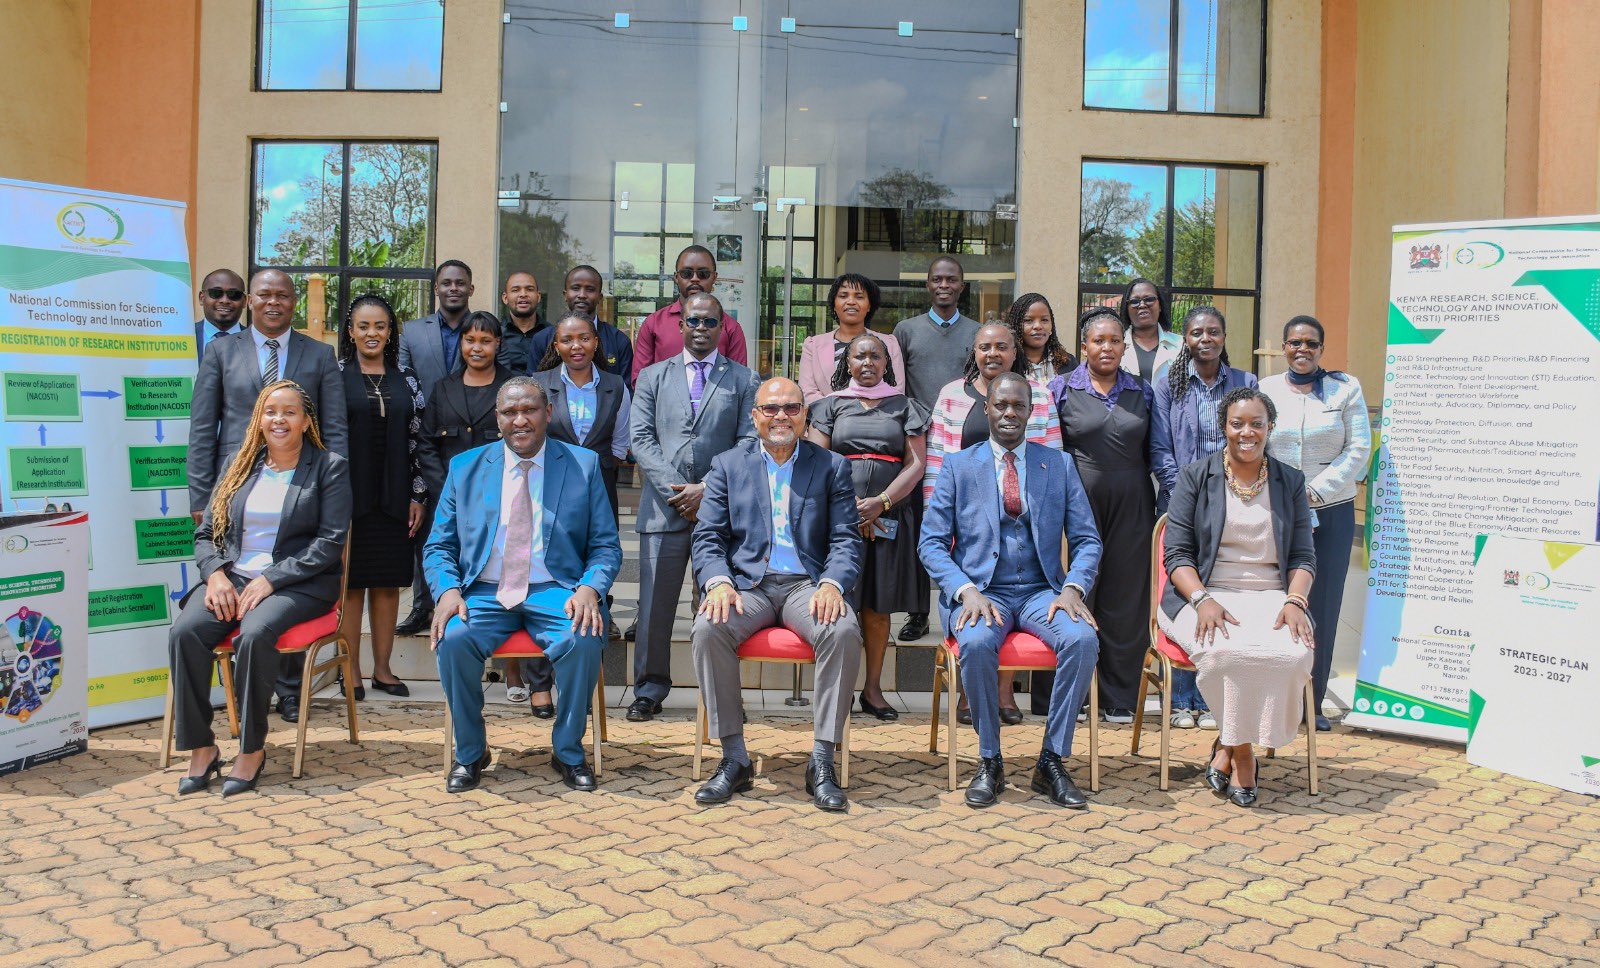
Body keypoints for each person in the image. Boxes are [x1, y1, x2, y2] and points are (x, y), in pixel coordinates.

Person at [423, 378, 622, 794]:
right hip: (484, 590)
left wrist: (590, 588)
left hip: (557, 589)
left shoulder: (583, 465)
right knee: (453, 637)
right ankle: (471, 751)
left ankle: (568, 750)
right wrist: (448, 591)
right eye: (510, 412)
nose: (520, 420)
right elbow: (439, 545)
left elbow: (605, 544)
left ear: (548, 413)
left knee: (583, 636)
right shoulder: (466, 467)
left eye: (529, 410)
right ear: (497, 418)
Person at [919, 372, 1103, 809]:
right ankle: (990, 760)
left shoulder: (1058, 465)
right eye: (1000, 405)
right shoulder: (959, 466)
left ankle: (1051, 761)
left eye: (1018, 405)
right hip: (983, 592)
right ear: (986, 409)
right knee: (977, 642)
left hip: (1043, 591)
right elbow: (931, 543)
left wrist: (1073, 588)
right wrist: (965, 591)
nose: (1009, 413)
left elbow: (1087, 539)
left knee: (1083, 639)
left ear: (1030, 411)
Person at [168, 380, 352, 797]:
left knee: (254, 633)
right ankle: (202, 748)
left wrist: (271, 579)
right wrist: (215, 575)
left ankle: (251, 749)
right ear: (259, 418)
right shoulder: (239, 464)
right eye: (271, 411)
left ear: (306, 422)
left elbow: (329, 543)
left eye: (289, 412)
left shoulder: (329, 467)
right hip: (233, 578)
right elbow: (206, 534)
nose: (278, 419)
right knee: (185, 633)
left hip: (299, 582)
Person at [690, 378, 863, 811]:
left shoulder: (832, 466)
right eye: (770, 409)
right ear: (755, 417)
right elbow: (708, 536)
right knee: (709, 627)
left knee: (842, 630)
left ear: (805, 415)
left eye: (791, 408)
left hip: (808, 585)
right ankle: (734, 758)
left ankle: (821, 761)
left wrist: (832, 583)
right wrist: (719, 581)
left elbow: (846, 538)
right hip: (748, 585)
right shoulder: (728, 464)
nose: (780, 416)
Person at [187, 268, 349, 723]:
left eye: (282, 295)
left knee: (287, 576)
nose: (273, 302)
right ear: (250, 301)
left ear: (294, 302)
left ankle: (291, 690)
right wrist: (202, 498)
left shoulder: (319, 354)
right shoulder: (222, 351)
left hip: (301, 487)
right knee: (232, 585)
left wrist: (334, 491)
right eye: (264, 295)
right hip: (234, 492)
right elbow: (203, 428)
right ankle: (239, 696)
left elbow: (335, 429)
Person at [1158, 386, 1317, 808]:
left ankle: (1226, 745)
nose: (1247, 432)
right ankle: (1244, 754)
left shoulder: (1290, 481)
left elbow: (1303, 556)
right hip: (1204, 593)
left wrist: (1295, 601)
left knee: (1292, 654)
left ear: (1270, 428)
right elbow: (1177, 555)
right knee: (1227, 653)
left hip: (1272, 596)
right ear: (1223, 428)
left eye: (1257, 424)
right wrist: (1202, 599)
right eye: (1237, 424)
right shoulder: (1195, 477)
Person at [923, 322, 1062, 724]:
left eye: (1002, 346)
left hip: (1023, 515)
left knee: (1015, 581)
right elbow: (937, 458)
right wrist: (938, 517)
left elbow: (1052, 455)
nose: (993, 353)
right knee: (977, 598)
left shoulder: (1038, 395)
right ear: (975, 352)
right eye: (985, 347)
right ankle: (972, 692)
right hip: (966, 518)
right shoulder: (952, 395)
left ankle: (1004, 692)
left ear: (1015, 352)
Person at [628, 292, 757, 721]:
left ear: (723, 328)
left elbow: (748, 441)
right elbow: (640, 439)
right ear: (681, 325)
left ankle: (720, 694)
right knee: (654, 609)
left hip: (719, 513)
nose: (701, 329)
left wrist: (707, 490)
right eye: (694, 321)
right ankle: (648, 691)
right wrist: (679, 490)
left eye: (710, 322)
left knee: (719, 605)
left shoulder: (744, 379)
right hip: (662, 510)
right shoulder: (652, 376)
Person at [1036, 308, 1158, 726]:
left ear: (1124, 347)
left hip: (1133, 503)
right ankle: (1063, 696)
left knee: (1125, 597)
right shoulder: (1059, 389)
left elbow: (1156, 450)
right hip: (1076, 503)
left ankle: (1118, 696)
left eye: (1115, 340)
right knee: (1072, 590)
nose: (1107, 347)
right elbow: (1046, 449)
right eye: (1098, 340)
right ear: (1084, 346)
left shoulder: (1143, 391)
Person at [807, 333, 929, 719]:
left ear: (886, 363)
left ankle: (873, 691)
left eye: (875, 357)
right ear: (847, 363)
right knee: (838, 605)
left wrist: (881, 503)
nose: (867, 363)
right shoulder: (829, 406)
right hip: (839, 521)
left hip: (889, 517)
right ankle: (838, 690)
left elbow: (916, 465)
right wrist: (849, 509)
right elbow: (816, 462)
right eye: (859, 357)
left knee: (877, 610)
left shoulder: (905, 406)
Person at [1260, 315, 1371, 731]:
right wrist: (1285, 494)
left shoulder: (1345, 388)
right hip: (1278, 509)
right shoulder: (1266, 389)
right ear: (1284, 347)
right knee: (1276, 598)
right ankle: (1273, 697)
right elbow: (1256, 442)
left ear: (1322, 349)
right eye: (1294, 342)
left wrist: (1314, 492)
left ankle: (1313, 701)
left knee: (1322, 603)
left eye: (1311, 343)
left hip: (1332, 509)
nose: (1302, 349)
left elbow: (1358, 448)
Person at [416, 312, 531, 707]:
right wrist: (447, 486)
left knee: (506, 577)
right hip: (453, 500)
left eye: (485, 340)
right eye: (470, 340)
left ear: (498, 344)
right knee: (461, 575)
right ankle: (465, 669)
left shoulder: (511, 388)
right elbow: (427, 443)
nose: (477, 347)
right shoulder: (443, 388)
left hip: (506, 500)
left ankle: (512, 669)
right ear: (461, 344)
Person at [1152, 305, 1258, 730]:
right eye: (1197, 332)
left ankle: (1216, 698)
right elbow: (1160, 448)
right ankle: (1181, 698)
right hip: (1181, 506)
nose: (1206, 339)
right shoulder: (1168, 384)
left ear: (1224, 336)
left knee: (1224, 594)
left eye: (1214, 331)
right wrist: (1186, 499)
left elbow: (1253, 442)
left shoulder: (1245, 383)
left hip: (1235, 505)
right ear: (1186, 339)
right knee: (1184, 593)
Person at [336, 294, 428, 700]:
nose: (372, 333)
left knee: (389, 583)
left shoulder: (407, 378)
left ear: (390, 332)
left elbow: (419, 439)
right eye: (364, 326)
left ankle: (384, 670)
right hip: (347, 498)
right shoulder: (334, 375)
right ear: (351, 331)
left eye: (380, 326)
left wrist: (418, 494)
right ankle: (350, 671)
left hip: (396, 495)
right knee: (351, 585)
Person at [532, 310, 631, 654]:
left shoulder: (615, 385)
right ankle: (556, 608)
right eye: (567, 339)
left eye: (584, 338)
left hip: (601, 482)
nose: (577, 346)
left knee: (601, 548)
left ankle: (599, 607)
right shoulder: (539, 383)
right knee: (555, 547)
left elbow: (620, 442)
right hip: (550, 483)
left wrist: (599, 467)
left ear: (596, 343)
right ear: (556, 346)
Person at [891, 256, 979, 642]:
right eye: (937, 279)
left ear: (962, 286)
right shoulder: (906, 330)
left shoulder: (976, 332)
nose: (944, 285)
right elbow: (897, 386)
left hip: (963, 441)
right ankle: (918, 611)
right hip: (918, 443)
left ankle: (963, 605)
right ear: (927, 284)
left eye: (951, 279)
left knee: (964, 525)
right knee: (920, 528)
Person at [396, 259, 475, 636]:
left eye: (460, 283)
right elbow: (403, 379)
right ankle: (421, 605)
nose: (453, 288)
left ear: (471, 289)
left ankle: (467, 599)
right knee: (423, 525)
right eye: (446, 282)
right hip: (422, 439)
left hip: (470, 438)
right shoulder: (412, 331)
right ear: (436, 288)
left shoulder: (481, 327)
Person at [632, 245, 748, 381]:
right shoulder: (653, 324)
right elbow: (641, 381)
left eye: (703, 274)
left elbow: (739, 381)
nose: (695, 279)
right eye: (687, 273)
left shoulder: (730, 327)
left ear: (714, 277)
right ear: (676, 277)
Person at [797, 273, 905, 405]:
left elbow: (896, 390)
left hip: (879, 416)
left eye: (859, 297)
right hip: (827, 417)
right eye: (843, 296)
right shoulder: (813, 345)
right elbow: (808, 393)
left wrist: (865, 411)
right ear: (834, 304)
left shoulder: (889, 343)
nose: (851, 302)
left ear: (869, 305)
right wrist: (843, 412)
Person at [527, 266, 635, 385]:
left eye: (590, 289)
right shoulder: (542, 339)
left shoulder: (619, 341)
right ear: (565, 295)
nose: (582, 295)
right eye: (576, 288)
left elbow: (626, 389)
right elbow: (532, 386)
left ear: (599, 297)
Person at [1118, 278, 1181, 385]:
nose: (1142, 305)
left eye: (1149, 299)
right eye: (1135, 301)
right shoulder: (1116, 345)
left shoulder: (1180, 344)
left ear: (1160, 305)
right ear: (1126, 308)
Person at [1004, 293, 1074, 385]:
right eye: (1028, 320)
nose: (1038, 326)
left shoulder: (1067, 362)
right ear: (1016, 325)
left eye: (1044, 320)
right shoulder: (1007, 363)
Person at [496, 270, 548, 375]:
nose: (523, 294)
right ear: (505, 298)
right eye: (515, 290)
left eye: (529, 289)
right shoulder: (496, 334)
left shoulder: (551, 334)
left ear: (538, 297)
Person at [194, 269, 247, 361]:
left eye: (234, 294)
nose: (224, 301)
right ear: (202, 298)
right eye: (216, 293)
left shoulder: (256, 341)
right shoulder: (183, 337)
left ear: (244, 301)